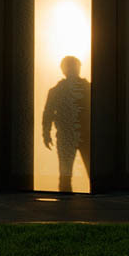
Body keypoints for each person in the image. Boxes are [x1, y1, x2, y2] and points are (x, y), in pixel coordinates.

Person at [42, 56, 90, 192]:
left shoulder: (56, 91)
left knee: (65, 174)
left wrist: (46, 134)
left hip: (67, 136)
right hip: (84, 135)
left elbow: (48, 114)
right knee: (80, 172)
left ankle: (65, 203)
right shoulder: (88, 89)